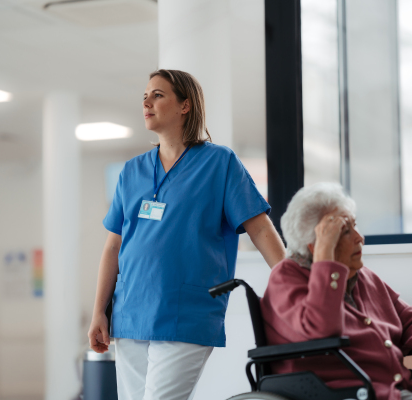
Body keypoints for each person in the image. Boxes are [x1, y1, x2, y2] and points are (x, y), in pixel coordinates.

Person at [88, 69, 286, 400]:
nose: (146, 102)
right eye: (145, 96)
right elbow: (112, 249)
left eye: (158, 95)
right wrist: (99, 310)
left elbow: (261, 229)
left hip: (187, 312)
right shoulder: (132, 171)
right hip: (131, 314)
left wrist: (294, 283)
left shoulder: (219, 163)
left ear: (185, 106)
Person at [260, 182, 412, 400]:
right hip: (352, 393)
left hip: (398, 389)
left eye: (355, 225)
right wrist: (327, 262)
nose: (360, 238)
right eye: (344, 231)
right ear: (316, 246)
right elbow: (322, 328)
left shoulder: (363, 277)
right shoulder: (286, 278)